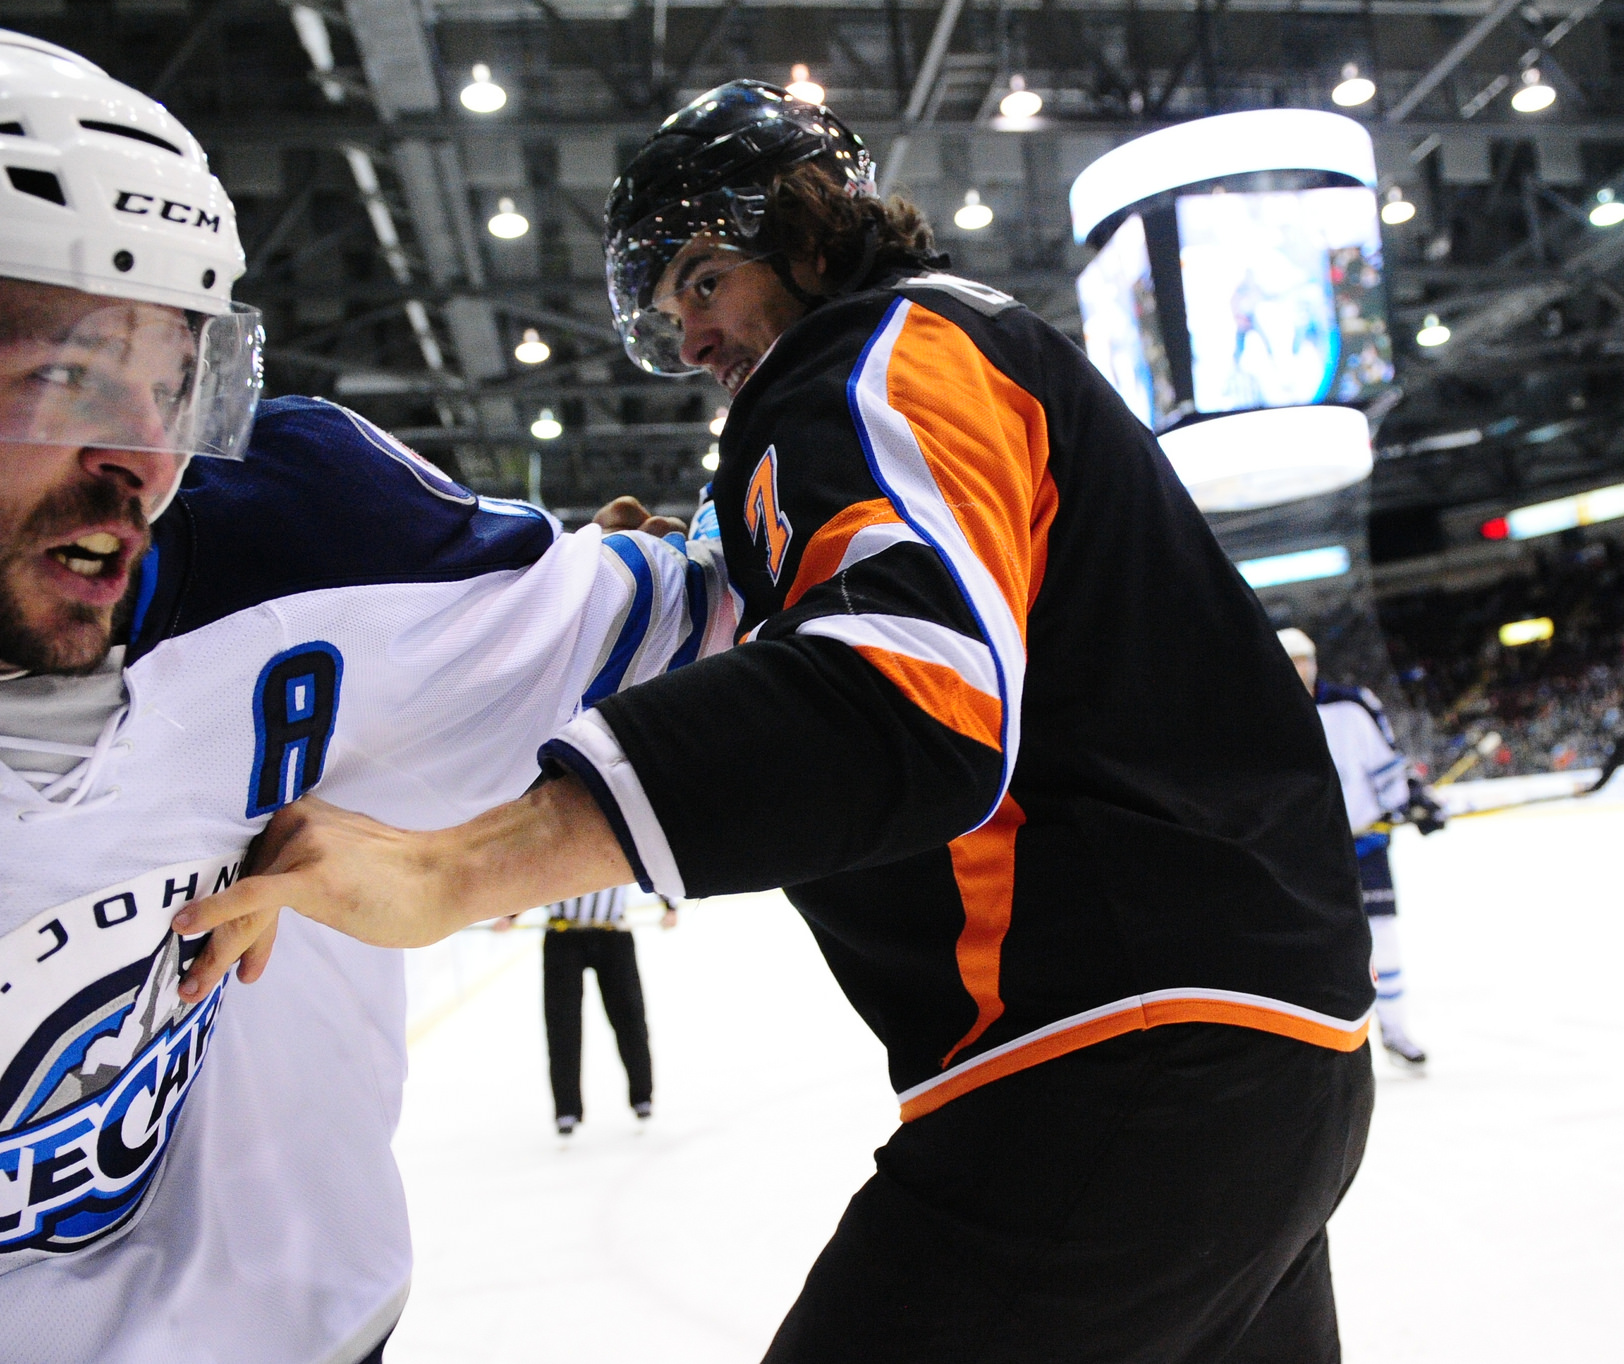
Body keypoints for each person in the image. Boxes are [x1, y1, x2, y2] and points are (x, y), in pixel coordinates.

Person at [0, 7, 730, 1362]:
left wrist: (877, 358)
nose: (141, 464)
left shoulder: (311, 554)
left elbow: (742, 610)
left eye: (174, 381)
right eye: (63, 372)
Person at [182, 80, 1378, 1362]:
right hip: (1267, 1062)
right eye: (664, 313)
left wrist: (451, 863)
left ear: (810, 232)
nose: (689, 337)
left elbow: (907, 692)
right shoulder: (952, 368)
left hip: (1119, 1061)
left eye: (701, 277)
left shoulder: (876, 353)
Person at [1280, 627, 1441, 1068]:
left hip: (1366, 844)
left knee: (1383, 940)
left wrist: (1415, 800)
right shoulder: (1267, 715)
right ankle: (1338, 1046)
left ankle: (1395, 1029)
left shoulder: (1351, 705)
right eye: (1291, 660)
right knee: (1324, 951)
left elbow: (1385, 761)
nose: (1302, 668)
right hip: (1310, 856)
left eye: (1306, 658)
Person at [496, 887, 677, 1135]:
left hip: (612, 932)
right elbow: (536, 876)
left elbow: (647, 862)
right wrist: (510, 915)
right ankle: (567, 1109)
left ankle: (642, 1096)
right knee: (562, 1026)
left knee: (630, 1018)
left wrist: (670, 906)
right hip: (563, 935)